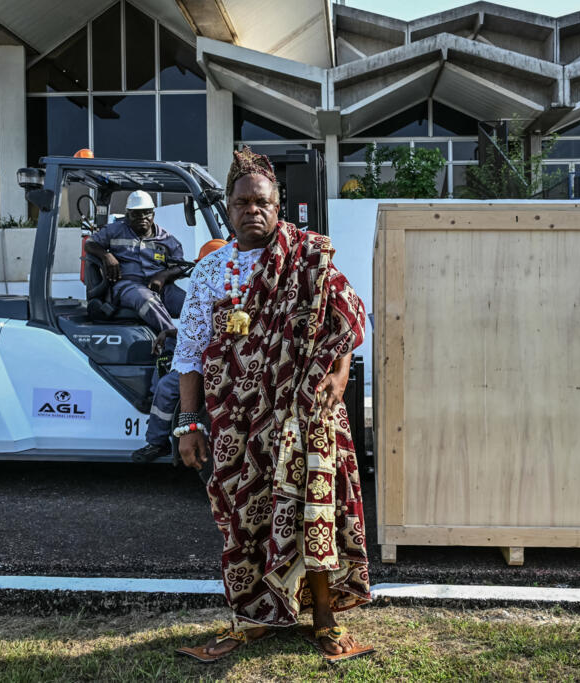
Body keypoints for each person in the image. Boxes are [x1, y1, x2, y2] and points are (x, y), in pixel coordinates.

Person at [172, 147, 373, 662]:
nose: (251, 211)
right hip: (238, 424)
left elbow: (348, 319)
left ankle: (325, 622)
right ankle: (254, 618)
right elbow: (190, 352)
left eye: (261, 202)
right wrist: (189, 423)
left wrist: (340, 373)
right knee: (247, 521)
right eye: (241, 203)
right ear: (228, 208)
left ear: (277, 205)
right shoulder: (210, 272)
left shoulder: (308, 256)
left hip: (307, 417)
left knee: (315, 514)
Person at [131, 238, 228, 464]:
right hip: (206, 350)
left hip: (213, 359)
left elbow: (206, 337)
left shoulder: (224, 294)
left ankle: (156, 442)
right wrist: (170, 333)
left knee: (168, 387)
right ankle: (151, 395)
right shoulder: (216, 288)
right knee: (168, 348)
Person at [83, 190, 186, 333]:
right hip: (127, 286)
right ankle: (171, 340)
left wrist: (163, 276)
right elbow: (90, 244)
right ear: (127, 215)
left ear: (153, 214)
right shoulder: (115, 231)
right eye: (136, 213)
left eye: (146, 212)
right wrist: (106, 256)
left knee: (192, 304)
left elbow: (180, 266)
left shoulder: (166, 239)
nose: (142, 217)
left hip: (160, 287)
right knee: (147, 301)